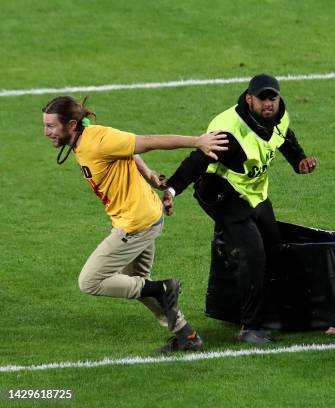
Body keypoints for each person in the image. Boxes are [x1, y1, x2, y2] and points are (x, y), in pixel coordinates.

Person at [42, 95, 228, 353]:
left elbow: (147, 142)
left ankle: (163, 289)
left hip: (136, 223)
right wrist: (150, 175)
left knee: (90, 281)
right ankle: (187, 335)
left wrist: (196, 141)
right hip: (145, 215)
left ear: (72, 125)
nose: (46, 132)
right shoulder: (87, 138)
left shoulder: (97, 141)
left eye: (51, 126)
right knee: (137, 282)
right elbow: (127, 151)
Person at [163, 74, 317, 344]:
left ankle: (237, 281)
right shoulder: (230, 131)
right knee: (253, 252)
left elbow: (284, 136)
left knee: (273, 245)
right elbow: (198, 160)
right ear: (249, 99)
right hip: (219, 191)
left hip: (254, 191)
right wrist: (172, 190)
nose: (269, 103)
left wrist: (299, 160)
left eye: (273, 98)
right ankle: (250, 328)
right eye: (262, 98)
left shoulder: (278, 114)